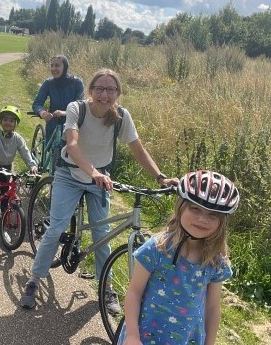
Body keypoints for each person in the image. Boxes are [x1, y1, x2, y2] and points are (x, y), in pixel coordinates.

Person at [19, 68, 174, 311]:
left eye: (110, 89)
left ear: (118, 93)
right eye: (99, 89)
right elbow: (72, 145)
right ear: (90, 91)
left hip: (99, 179)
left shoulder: (121, 116)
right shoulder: (76, 108)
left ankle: (106, 288)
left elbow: (138, 150)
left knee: (102, 235)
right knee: (56, 228)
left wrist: (161, 177)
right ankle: (34, 281)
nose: (104, 94)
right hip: (69, 174)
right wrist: (94, 173)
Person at [117, 170, 240, 345]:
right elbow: (134, 293)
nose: (202, 219)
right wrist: (132, 335)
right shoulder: (156, 249)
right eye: (195, 209)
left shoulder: (215, 262)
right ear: (180, 207)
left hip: (186, 339)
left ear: (222, 222)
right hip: (144, 337)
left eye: (213, 215)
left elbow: (212, 308)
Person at [0, 106, 39, 219]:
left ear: (16, 123)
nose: (8, 123)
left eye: (11, 120)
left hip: (6, 166)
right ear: (1, 121)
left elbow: (25, 152)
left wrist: (32, 165)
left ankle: (4, 210)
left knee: (5, 189)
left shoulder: (18, 138)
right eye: (5, 119)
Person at [32, 55, 85, 143]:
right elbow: (37, 103)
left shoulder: (77, 83)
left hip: (72, 124)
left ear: (65, 67)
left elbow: (80, 105)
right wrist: (42, 113)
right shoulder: (48, 83)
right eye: (52, 65)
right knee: (51, 152)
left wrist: (63, 113)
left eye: (57, 65)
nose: (53, 68)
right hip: (53, 123)